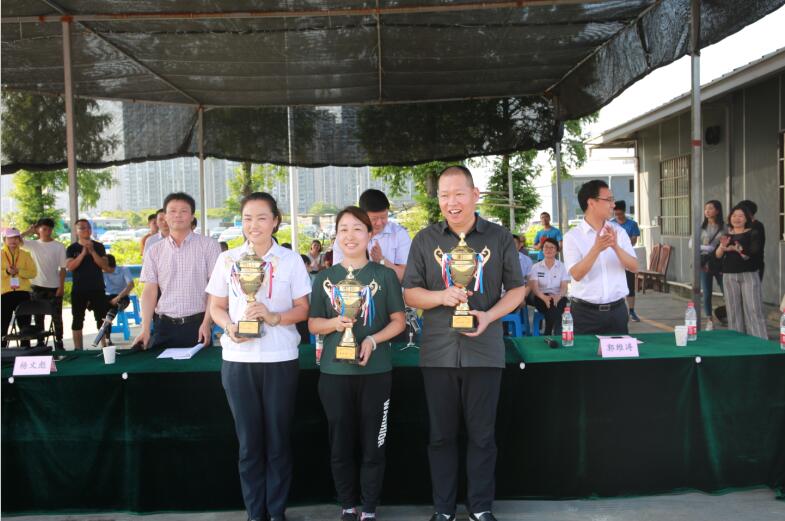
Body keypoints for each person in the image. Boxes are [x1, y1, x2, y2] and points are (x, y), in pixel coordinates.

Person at [402, 166, 526, 521]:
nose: (451, 202)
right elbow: (410, 293)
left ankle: (480, 508)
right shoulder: (424, 240)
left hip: (484, 351)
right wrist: (441, 297)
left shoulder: (499, 238)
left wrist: (489, 316)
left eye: (458, 194)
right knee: (441, 436)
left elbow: (517, 289)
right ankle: (443, 510)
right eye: (444, 195)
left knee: (482, 436)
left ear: (475, 195)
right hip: (438, 353)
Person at [207, 192, 311, 521]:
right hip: (238, 361)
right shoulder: (228, 260)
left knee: (278, 442)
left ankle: (276, 512)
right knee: (249, 445)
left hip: (280, 359)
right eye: (247, 218)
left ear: (275, 221)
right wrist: (229, 327)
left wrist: (274, 316)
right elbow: (216, 306)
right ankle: (255, 513)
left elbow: (303, 309)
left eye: (262, 218)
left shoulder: (290, 260)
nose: (254, 225)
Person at [309, 206, 406, 521]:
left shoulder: (384, 275)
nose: (350, 236)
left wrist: (373, 340)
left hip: (376, 373)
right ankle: (347, 506)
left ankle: (369, 508)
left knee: (374, 445)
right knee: (340, 445)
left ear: (369, 234)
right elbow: (313, 323)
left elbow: (399, 321)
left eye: (357, 229)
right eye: (343, 229)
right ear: (336, 235)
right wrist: (334, 323)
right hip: (334, 373)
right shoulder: (325, 278)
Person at [134, 192, 221, 349]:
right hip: (163, 326)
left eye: (183, 211)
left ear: (192, 216)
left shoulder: (209, 246)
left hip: (198, 325)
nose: (178, 215)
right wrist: (145, 328)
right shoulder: (154, 250)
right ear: (165, 217)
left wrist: (207, 323)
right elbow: (149, 291)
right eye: (172, 211)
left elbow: (215, 289)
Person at [563, 180, 639, 335]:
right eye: (609, 200)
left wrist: (615, 246)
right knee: (585, 352)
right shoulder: (573, 236)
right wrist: (596, 249)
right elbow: (576, 274)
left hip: (617, 312)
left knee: (619, 351)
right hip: (585, 314)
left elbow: (635, 267)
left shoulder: (619, 232)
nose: (613, 204)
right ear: (591, 203)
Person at [333, 189, 411, 282]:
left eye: (384, 217)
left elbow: (406, 277)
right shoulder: (346, 238)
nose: (379, 223)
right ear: (362, 215)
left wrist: (382, 261)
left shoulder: (399, 234)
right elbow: (337, 275)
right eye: (374, 219)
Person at [714, 205, 767, 339]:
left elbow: (754, 253)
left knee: (753, 308)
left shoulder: (753, 233)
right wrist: (722, 246)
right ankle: (736, 340)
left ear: (746, 219)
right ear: (730, 218)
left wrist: (739, 250)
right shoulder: (726, 236)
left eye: (740, 216)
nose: (736, 218)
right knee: (733, 310)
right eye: (734, 216)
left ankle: (759, 340)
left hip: (749, 275)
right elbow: (717, 255)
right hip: (729, 276)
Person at [21, 218, 67, 349]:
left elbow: (63, 268)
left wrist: (61, 287)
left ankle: (59, 340)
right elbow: (15, 240)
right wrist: (29, 231)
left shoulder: (59, 246)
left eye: (50, 229)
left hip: (54, 286)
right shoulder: (32, 244)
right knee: (38, 316)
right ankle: (40, 341)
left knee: (57, 316)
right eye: (44, 229)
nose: (47, 232)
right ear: (38, 230)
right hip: (36, 286)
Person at [66, 219, 109, 349]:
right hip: (79, 289)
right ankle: (78, 349)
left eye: (88, 227)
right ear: (76, 231)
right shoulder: (72, 248)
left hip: (97, 287)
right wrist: (83, 254)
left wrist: (92, 252)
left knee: (102, 319)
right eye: (82, 228)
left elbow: (104, 266)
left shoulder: (99, 246)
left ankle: (105, 348)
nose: (86, 230)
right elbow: (70, 267)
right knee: (77, 319)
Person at [526, 238, 570, 335]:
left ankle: (548, 332)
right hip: (540, 296)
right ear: (542, 249)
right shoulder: (536, 267)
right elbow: (534, 287)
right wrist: (544, 297)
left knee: (558, 304)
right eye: (546, 247)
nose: (548, 250)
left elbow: (564, 286)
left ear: (557, 250)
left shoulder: (562, 267)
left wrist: (559, 296)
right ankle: (556, 333)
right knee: (554, 309)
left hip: (557, 296)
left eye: (552, 247)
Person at [1, 228, 37, 348]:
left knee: (25, 326)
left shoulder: (25, 254)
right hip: (4, 294)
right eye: (10, 238)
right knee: (2, 325)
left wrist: (19, 271)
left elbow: (33, 273)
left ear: (19, 240)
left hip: (23, 293)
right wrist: (6, 271)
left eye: (16, 238)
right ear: (5, 240)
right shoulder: (1, 254)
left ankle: (25, 350)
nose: (13, 241)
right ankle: (2, 352)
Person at [611, 200, 641, 322]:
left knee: (630, 286)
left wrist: (621, 243)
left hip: (627, 259)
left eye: (620, 213)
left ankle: (632, 311)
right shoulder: (610, 224)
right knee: (614, 286)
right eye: (616, 214)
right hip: (613, 261)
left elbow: (633, 241)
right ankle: (615, 312)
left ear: (624, 211)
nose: (618, 216)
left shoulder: (632, 224)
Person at [699, 200, 725, 325]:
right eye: (706, 209)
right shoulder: (701, 227)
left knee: (726, 291)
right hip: (705, 263)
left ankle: (729, 315)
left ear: (717, 211)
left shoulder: (725, 227)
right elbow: (691, 244)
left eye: (710, 208)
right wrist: (707, 248)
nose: (707, 211)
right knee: (707, 293)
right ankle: (709, 319)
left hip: (721, 263)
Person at [101, 254, 135, 346]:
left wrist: (118, 297)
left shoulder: (124, 270)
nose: (100, 263)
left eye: (103, 262)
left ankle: (107, 338)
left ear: (108, 264)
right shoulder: (101, 272)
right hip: (108, 297)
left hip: (122, 297)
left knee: (114, 307)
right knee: (103, 309)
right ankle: (107, 339)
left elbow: (131, 285)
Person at [736, 200, 765, 281]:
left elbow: (755, 248)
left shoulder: (757, 226)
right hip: (739, 265)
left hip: (753, 266)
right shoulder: (742, 225)